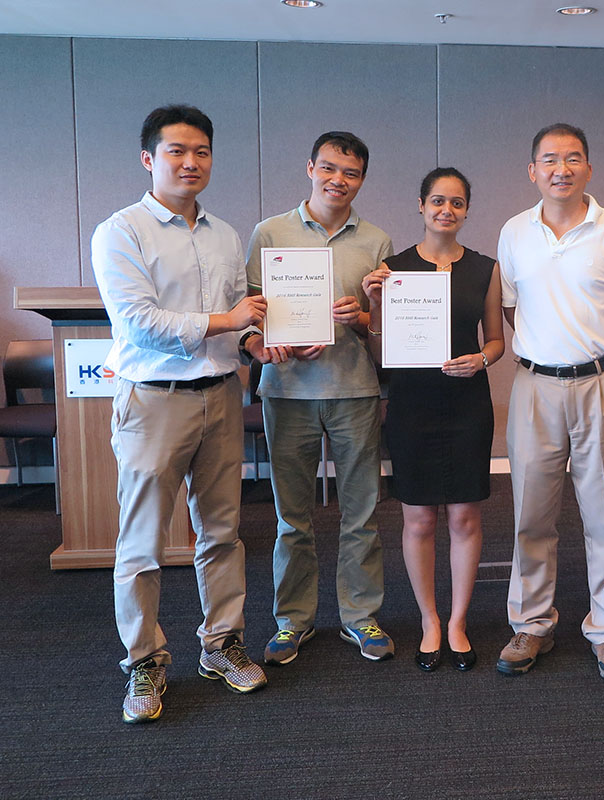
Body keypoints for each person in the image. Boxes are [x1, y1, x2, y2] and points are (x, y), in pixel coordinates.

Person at [93, 104, 269, 724]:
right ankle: (144, 661)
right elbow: (139, 323)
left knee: (222, 533)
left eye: (202, 152)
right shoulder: (121, 231)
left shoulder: (224, 234)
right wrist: (231, 320)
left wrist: (255, 342)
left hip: (221, 395)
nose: (191, 162)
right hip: (152, 401)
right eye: (177, 151)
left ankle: (221, 643)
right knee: (142, 543)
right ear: (149, 158)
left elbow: (238, 317)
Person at [496, 123, 604, 680]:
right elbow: (510, 306)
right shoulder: (514, 231)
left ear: (588, 168)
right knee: (530, 513)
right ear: (532, 170)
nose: (561, 169)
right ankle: (531, 623)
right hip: (534, 386)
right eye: (549, 159)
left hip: (601, 384)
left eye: (572, 158)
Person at [245, 131, 396, 664]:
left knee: (362, 514)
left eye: (350, 173)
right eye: (329, 168)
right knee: (292, 517)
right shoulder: (270, 232)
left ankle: (360, 616)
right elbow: (250, 312)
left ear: (362, 180)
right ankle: (292, 620)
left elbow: (386, 329)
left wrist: (364, 316)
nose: (338, 180)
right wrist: (266, 342)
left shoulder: (376, 240)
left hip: (355, 390)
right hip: (287, 390)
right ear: (310, 168)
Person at [362, 167, 504, 672]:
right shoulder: (393, 269)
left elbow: (496, 340)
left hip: (468, 404)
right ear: (421, 206)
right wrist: (375, 304)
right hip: (412, 404)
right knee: (419, 518)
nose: (447, 210)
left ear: (467, 211)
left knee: (465, 516)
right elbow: (381, 351)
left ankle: (459, 620)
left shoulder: (485, 269)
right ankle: (429, 620)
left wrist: (481, 360)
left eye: (457, 203)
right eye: (438, 201)